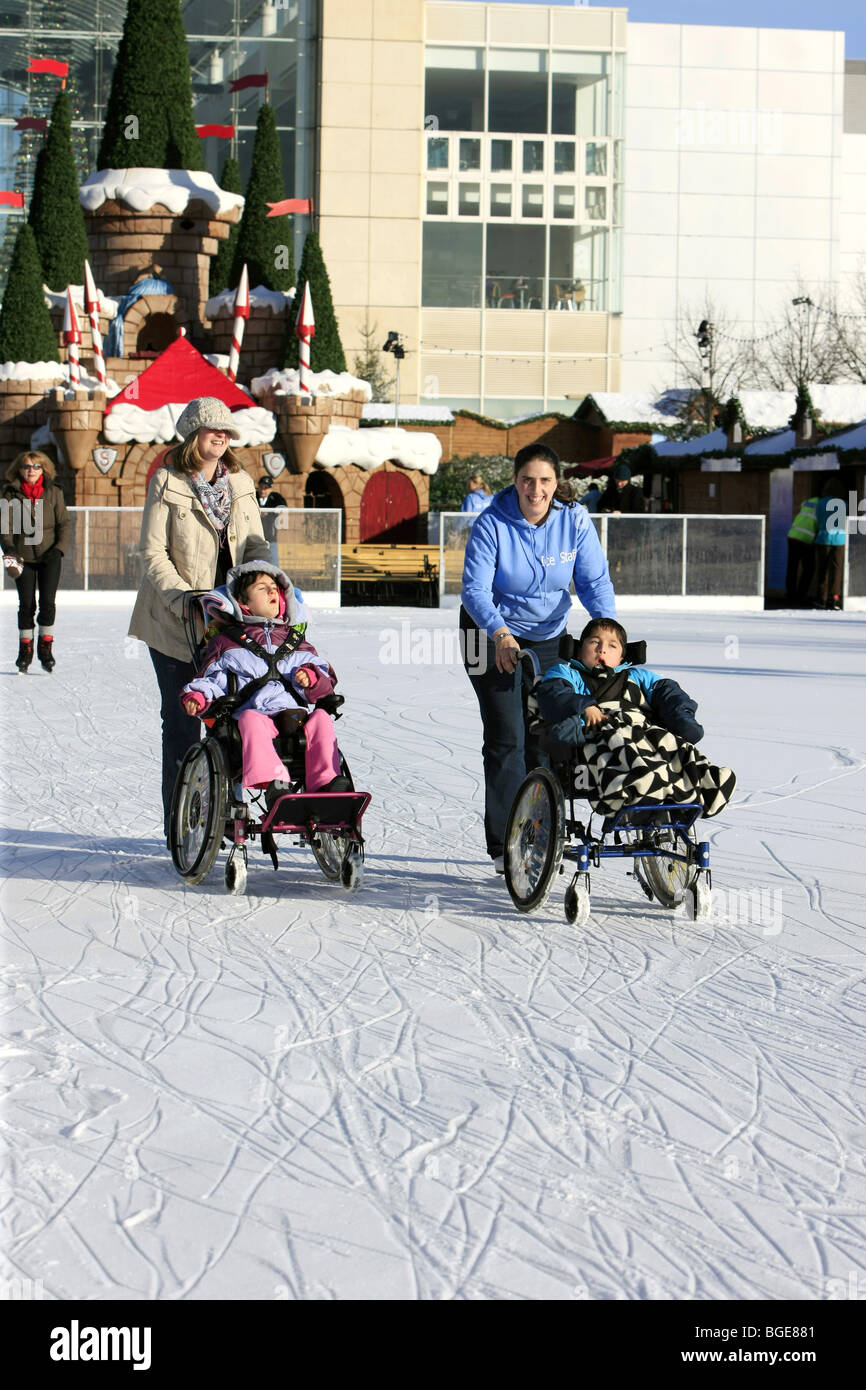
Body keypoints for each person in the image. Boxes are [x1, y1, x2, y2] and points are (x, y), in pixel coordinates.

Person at [460, 442, 617, 873]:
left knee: (548, 734)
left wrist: (609, 633)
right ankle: (504, 843)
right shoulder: (492, 523)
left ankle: (544, 832)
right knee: (508, 735)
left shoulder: (574, 521)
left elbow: (594, 580)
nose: (536, 489)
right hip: (487, 632)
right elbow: (474, 590)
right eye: (527, 479)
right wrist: (501, 635)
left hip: (549, 635)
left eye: (545, 480)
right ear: (515, 481)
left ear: (556, 482)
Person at [128, 396, 272, 838]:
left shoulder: (241, 482)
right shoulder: (167, 482)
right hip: (175, 623)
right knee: (184, 722)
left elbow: (255, 546)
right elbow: (154, 553)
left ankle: (230, 816)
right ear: (193, 434)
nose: (221, 436)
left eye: (226, 430)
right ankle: (182, 821)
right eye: (212, 428)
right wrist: (184, 597)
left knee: (234, 718)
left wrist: (265, 583)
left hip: (231, 625)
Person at [537, 618, 736, 820]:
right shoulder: (567, 672)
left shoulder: (637, 676)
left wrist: (682, 717)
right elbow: (554, 694)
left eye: (612, 645)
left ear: (622, 657)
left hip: (641, 728)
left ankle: (705, 783)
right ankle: (643, 787)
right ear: (579, 649)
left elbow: (669, 694)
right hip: (597, 733)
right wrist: (584, 706)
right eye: (594, 642)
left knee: (670, 744)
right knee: (621, 742)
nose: (602, 649)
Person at [181, 563, 348, 800]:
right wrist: (199, 695)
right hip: (253, 717)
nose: (272, 592)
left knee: (321, 717)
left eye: (274, 588)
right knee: (251, 719)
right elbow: (211, 680)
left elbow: (324, 679)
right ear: (243, 604)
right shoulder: (226, 643)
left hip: (294, 718)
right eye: (262, 588)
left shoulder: (296, 641)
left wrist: (311, 677)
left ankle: (326, 785)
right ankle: (274, 782)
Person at [1, 450, 69, 673]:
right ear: (19, 470)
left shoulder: (54, 493)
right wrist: (9, 548)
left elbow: (64, 525)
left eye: (36, 466)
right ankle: (25, 649)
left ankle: (45, 647)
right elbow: (5, 527)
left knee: (48, 604)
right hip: (23, 557)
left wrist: (58, 550)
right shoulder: (10, 494)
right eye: (27, 466)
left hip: (50, 557)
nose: (31, 471)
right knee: (27, 605)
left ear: (44, 469)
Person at [814, 480, 846, 611]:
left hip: (824, 537)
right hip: (840, 538)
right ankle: (835, 598)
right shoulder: (844, 503)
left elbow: (818, 518)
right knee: (837, 569)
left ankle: (822, 598)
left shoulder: (820, 503)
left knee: (823, 569)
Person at [785, 492, 819, 607]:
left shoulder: (808, 501)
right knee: (809, 568)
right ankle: (800, 596)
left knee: (792, 567)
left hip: (793, 535)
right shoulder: (824, 505)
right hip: (806, 539)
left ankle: (790, 594)